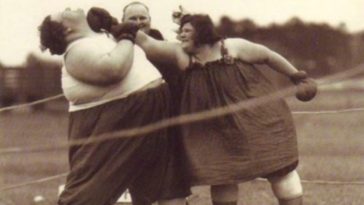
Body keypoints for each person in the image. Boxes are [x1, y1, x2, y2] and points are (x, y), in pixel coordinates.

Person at [114, 12, 317, 205]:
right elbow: (148, 43)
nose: (181, 34)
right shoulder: (181, 55)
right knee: (222, 175)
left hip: (257, 119)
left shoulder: (232, 47)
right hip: (216, 130)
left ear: (202, 32)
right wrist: (113, 24)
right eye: (181, 30)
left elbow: (269, 56)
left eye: (187, 30)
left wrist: (298, 76)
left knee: (280, 170)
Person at [38, 8, 189, 205]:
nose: (68, 8)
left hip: (154, 109)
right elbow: (113, 69)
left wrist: (114, 27)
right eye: (62, 12)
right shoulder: (75, 51)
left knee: (168, 188)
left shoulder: (104, 36)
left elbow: (153, 47)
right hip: (117, 120)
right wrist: (126, 36)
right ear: (66, 29)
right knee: (88, 194)